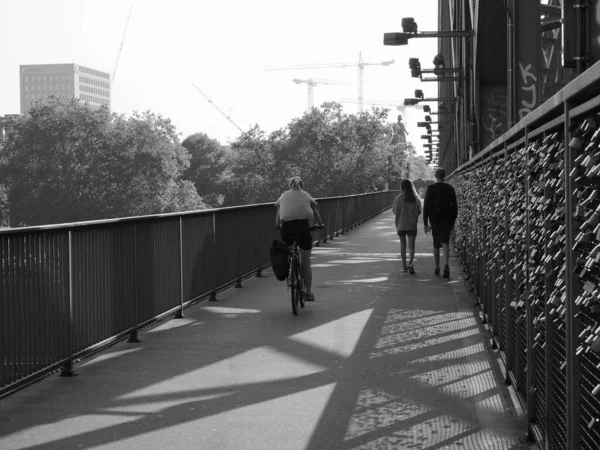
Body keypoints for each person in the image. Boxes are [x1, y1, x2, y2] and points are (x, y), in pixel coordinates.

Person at [275, 176, 324, 301]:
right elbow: (315, 211)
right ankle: (308, 292)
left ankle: (290, 268)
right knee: (306, 261)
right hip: (302, 228)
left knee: (289, 249)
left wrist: (277, 226)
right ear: (301, 185)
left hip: (286, 228)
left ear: (289, 185)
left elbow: (278, 212)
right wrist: (320, 224)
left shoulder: (283, 195)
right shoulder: (306, 195)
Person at [423, 168, 458, 278]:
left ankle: (437, 267)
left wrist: (425, 222)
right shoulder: (450, 189)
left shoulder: (430, 189)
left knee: (436, 243)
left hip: (434, 219)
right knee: (445, 241)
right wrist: (453, 220)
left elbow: (426, 206)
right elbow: (455, 207)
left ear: (435, 176)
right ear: (444, 176)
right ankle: (446, 265)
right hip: (447, 219)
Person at [392, 179, 422, 274]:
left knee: (403, 245)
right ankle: (410, 264)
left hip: (401, 224)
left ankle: (404, 266)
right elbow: (419, 211)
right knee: (411, 246)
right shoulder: (415, 199)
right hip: (412, 225)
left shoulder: (398, 199)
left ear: (402, 187)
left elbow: (394, 211)